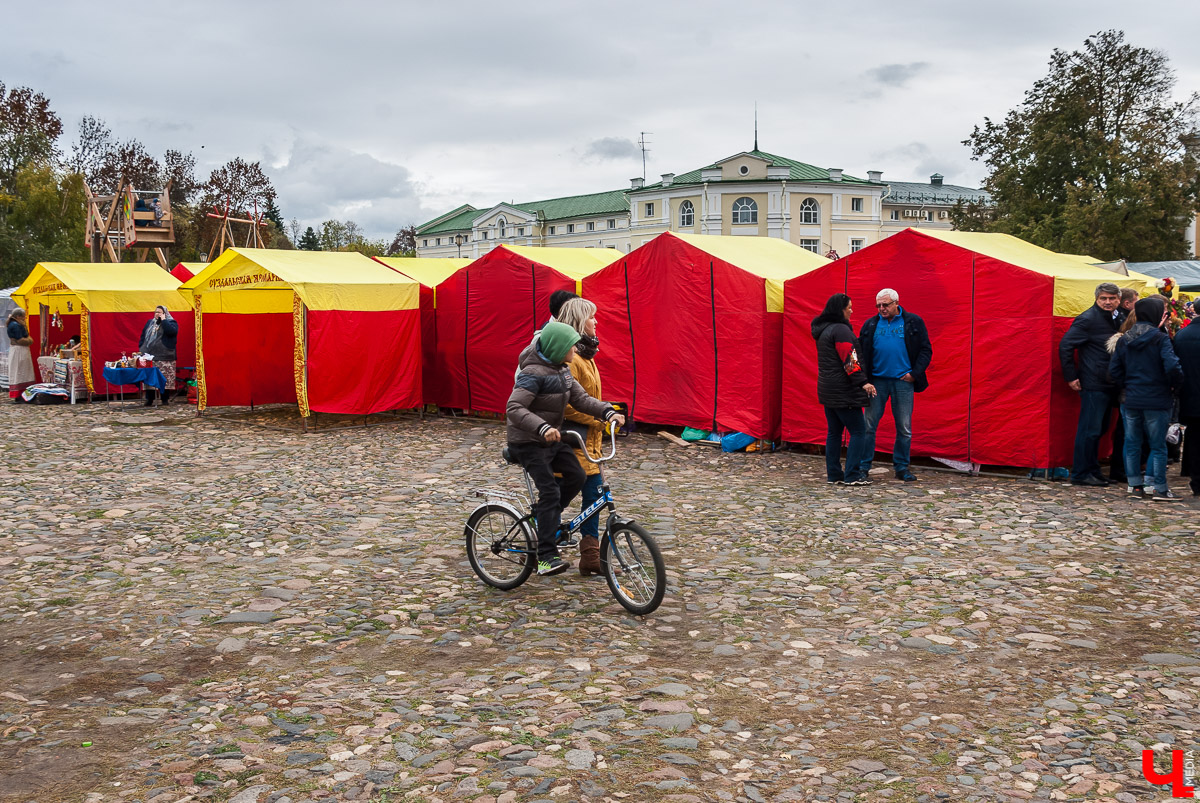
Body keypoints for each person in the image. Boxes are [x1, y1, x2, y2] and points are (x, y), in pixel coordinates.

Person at [507, 321, 625, 576]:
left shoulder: (562, 371)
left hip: (550, 439)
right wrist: (541, 428)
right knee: (549, 492)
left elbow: (581, 399)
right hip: (528, 441)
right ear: (559, 347)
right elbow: (514, 408)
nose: (575, 347)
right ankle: (546, 557)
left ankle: (545, 519)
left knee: (577, 475)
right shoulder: (533, 373)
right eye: (571, 344)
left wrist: (608, 412)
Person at [1109, 297, 1183, 501]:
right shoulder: (1160, 338)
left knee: (1132, 443)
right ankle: (1159, 488)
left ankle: (1135, 486)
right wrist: (1174, 385)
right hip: (1157, 398)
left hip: (1131, 397)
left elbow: (1114, 370)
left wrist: (1128, 384)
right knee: (1157, 445)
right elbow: (1172, 366)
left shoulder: (1124, 339)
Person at [856, 288, 933, 482]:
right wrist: (864, 379)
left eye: (886, 305)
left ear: (896, 303)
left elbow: (925, 350)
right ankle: (863, 466)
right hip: (877, 382)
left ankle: (901, 467)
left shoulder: (913, 322)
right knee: (868, 425)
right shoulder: (871, 324)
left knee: (904, 427)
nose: (882, 309)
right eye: (878, 305)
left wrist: (915, 374)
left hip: (902, 382)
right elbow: (860, 351)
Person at [556, 298, 607, 576]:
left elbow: (590, 398)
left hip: (591, 445)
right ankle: (544, 542)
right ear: (579, 321)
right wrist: (597, 419)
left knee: (594, 500)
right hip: (572, 442)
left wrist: (606, 412)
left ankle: (590, 557)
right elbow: (566, 404)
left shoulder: (587, 356)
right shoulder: (571, 359)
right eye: (591, 318)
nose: (596, 322)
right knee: (559, 498)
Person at [1059, 282, 1126, 486]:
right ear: (1097, 299)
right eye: (1103, 298)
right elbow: (1065, 346)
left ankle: (1093, 469)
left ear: (1118, 299)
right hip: (1093, 382)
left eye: (1112, 298)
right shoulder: (1087, 319)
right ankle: (1080, 473)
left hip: (1109, 382)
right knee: (1089, 429)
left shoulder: (1119, 317)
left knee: (1101, 429)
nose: (1108, 302)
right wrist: (1071, 376)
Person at [812, 293, 876, 486]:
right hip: (844, 391)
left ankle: (834, 474)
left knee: (834, 432)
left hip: (828, 390)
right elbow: (849, 360)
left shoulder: (824, 330)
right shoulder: (841, 330)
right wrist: (863, 382)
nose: (851, 310)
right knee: (858, 431)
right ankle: (853, 475)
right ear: (840, 309)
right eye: (849, 307)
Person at [1173, 307, 1200, 496]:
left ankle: (1194, 475)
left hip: (1189, 393)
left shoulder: (1182, 334)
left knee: (1194, 434)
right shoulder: (1182, 334)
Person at [138, 305, 178, 407]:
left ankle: (164, 399)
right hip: (149, 356)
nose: (157, 314)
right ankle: (149, 399)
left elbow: (171, 332)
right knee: (149, 378)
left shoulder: (171, 322)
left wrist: (164, 320)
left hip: (165, 356)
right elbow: (143, 335)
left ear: (165, 313)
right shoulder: (149, 323)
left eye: (160, 312)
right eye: (156, 312)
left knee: (164, 378)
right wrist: (141, 346)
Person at [6, 309, 35, 403]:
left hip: (18, 350)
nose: (24, 318)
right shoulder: (16, 325)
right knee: (20, 370)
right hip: (19, 350)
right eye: (23, 316)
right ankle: (20, 394)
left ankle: (21, 393)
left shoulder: (14, 324)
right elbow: (20, 339)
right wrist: (29, 341)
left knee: (20, 370)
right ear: (18, 316)